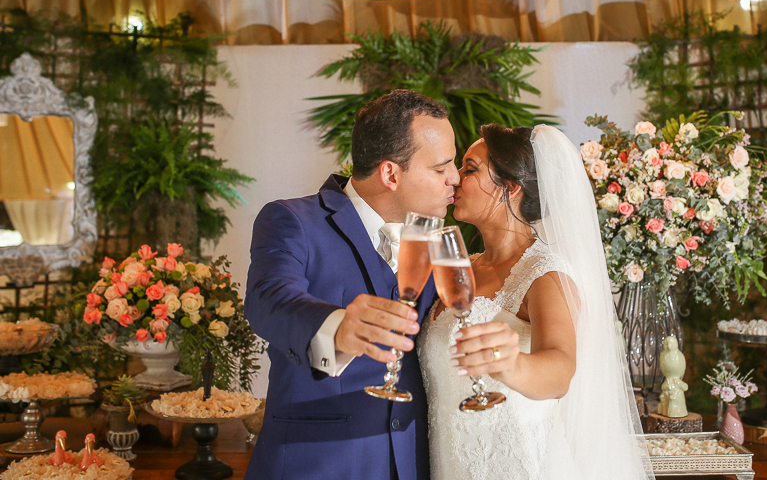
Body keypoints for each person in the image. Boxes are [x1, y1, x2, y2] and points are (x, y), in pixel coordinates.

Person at [244, 89, 459, 480]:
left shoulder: (438, 241)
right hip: (314, 465)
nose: (455, 179)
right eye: (441, 168)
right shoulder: (293, 220)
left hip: (412, 466)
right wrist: (338, 326)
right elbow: (268, 300)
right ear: (390, 173)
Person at [418, 124, 653, 480]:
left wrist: (511, 364)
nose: (454, 179)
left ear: (509, 189)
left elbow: (560, 369)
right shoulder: (460, 268)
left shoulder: (546, 275)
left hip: (514, 465)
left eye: (470, 169)